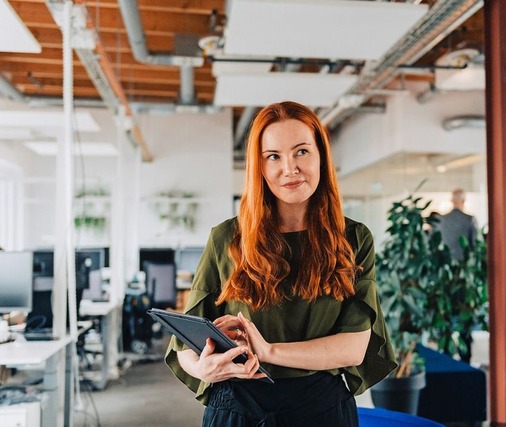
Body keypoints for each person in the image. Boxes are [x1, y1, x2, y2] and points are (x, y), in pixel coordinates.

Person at [165, 101, 396, 426]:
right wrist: (201, 367)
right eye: (273, 156)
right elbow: (185, 342)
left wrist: (269, 351)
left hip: (322, 410)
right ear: (258, 166)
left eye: (301, 152)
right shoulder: (227, 238)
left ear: (321, 157)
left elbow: (354, 347)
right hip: (237, 407)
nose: (289, 168)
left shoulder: (354, 239)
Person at [437, 188, 478, 261]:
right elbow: (474, 243)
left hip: (445, 262)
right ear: (463, 200)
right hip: (464, 262)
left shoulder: (441, 219)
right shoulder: (469, 219)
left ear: (452, 201)